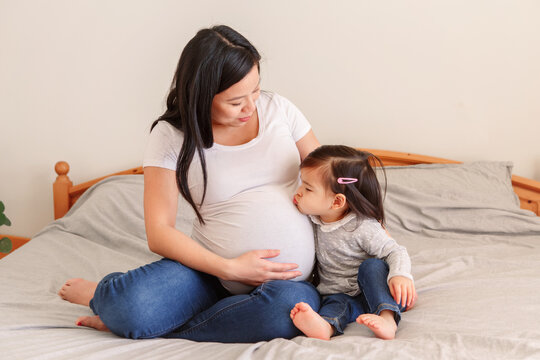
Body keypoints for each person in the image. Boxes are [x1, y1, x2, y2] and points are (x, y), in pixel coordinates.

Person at [58, 25, 322, 343]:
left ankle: (158, 325)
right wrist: (229, 269)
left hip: (289, 282)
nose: (252, 106)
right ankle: (104, 296)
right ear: (201, 95)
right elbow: (160, 232)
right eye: (236, 101)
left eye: (255, 90)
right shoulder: (171, 137)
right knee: (132, 306)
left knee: (286, 311)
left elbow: (335, 182)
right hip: (209, 272)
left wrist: (385, 248)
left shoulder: (280, 110)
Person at [289, 145, 417, 340]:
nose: (298, 192)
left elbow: (395, 251)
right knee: (337, 305)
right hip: (341, 294)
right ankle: (326, 327)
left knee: (372, 266)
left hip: (376, 290)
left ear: (337, 202)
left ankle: (388, 319)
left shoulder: (363, 227)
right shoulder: (313, 219)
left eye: (307, 188)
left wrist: (400, 275)